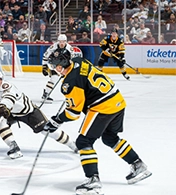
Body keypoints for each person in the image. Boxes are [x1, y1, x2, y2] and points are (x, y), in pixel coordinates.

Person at [43, 50, 152, 195]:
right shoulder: (79, 61)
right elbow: (82, 81)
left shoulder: (70, 83)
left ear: (61, 66)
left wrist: (57, 120)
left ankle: (92, 181)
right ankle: (138, 165)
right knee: (110, 138)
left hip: (102, 107)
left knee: (83, 142)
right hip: (117, 100)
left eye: (54, 66)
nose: (53, 69)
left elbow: (73, 113)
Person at [0, 69, 77, 159]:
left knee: (48, 130)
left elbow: (8, 99)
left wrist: (2, 107)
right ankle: (13, 146)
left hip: (27, 112)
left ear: (1, 79)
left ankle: (72, 144)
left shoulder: (8, 86)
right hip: (10, 114)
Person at [41, 34, 73, 103]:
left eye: (63, 41)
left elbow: (73, 59)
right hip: (54, 64)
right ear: (58, 41)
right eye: (60, 41)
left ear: (66, 41)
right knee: (54, 79)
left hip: (65, 66)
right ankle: (46, 93)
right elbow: (45, 56)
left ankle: (70, 94)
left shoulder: (69, 48)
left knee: (70, 80)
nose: (61, 43)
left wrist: (69, 69)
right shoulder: (53, 47)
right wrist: (44, 67)